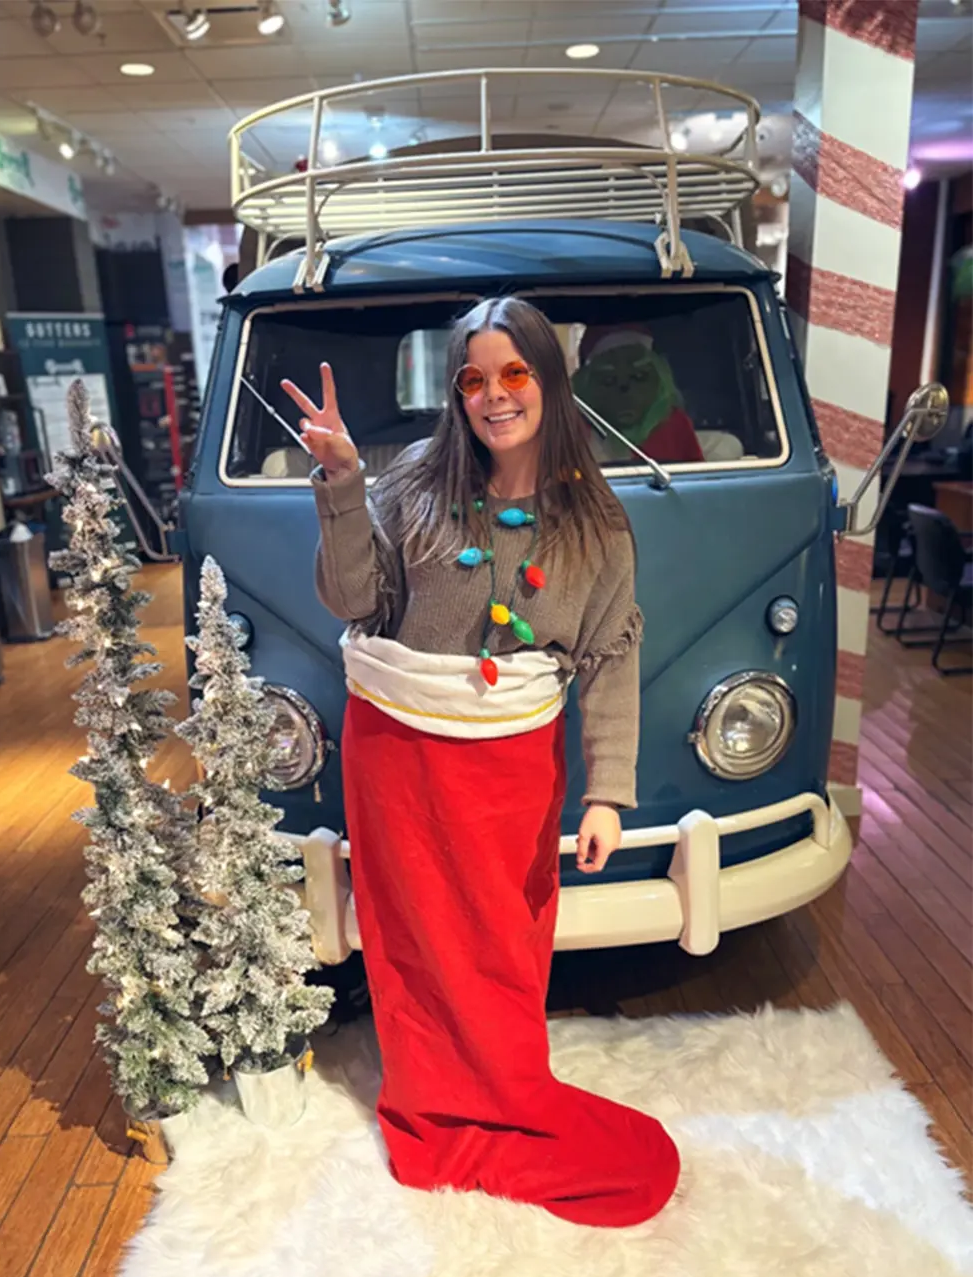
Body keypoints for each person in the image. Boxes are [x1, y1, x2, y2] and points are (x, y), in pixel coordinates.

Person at [282, 296, 680, 1229]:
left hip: (511, 773)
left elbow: (612, 653)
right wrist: (341, 481)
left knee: (503, 945)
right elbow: (355, 601)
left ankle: (504, 1095)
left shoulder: (597, 521)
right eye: (474, 379)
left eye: (514, 374)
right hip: (399, 763)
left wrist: (608, 794)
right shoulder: (412, 485)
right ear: (455, 392)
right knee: (415, 947)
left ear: (548, 377)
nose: (495, 397)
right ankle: (430, 1107)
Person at [573, 325, 704, 464]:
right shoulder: (574, 431)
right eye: (608, 381)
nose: (625, 392)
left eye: (639, 376)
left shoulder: (674, 425)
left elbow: (699, 477)